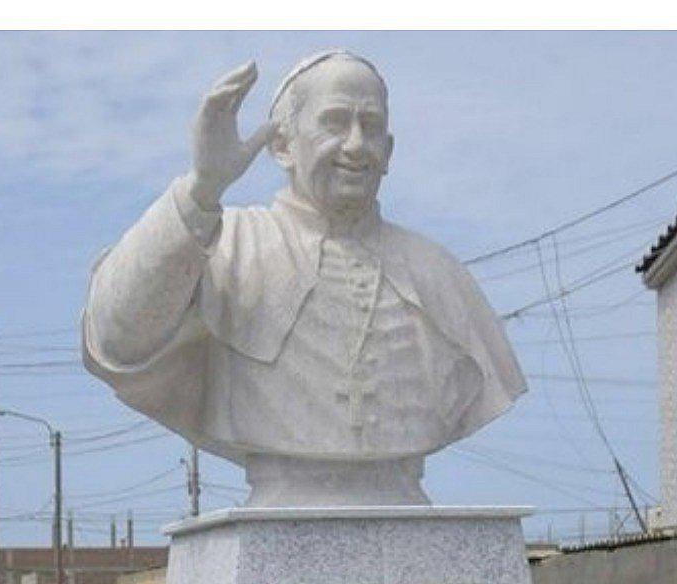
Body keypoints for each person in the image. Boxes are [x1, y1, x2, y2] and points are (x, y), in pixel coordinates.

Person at [83, 51, 526, 508]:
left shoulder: (437, 270)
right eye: (335, 122)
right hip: (278, 497)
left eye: (370, 127)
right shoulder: (227, 243)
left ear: (389, 152)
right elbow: (117, 338)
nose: (356, 145)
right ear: (282, 146)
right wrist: (201, 189)